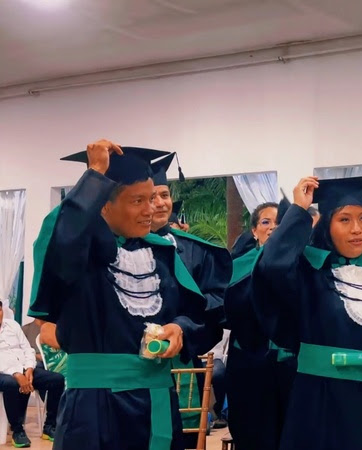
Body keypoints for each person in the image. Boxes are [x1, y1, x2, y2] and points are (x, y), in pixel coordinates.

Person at [29, 140, 212, 450]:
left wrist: (179, 327)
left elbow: (197, 312)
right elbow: (65, 239)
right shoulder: (81, 255)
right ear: (103, 205)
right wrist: (95, 174)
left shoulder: (162, 253)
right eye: (137, 200)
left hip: (156, 403)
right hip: (93, 407)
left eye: (152, 198)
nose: (150, 210)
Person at [252, 175, 362, 450]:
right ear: (327, 226)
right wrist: (299, 210)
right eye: (344, 220)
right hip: (321, 405)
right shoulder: (309, 273)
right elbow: (271, 266)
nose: (357, 229)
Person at [149, 152, 231, 447]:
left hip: (181, 359)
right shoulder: (112, 249)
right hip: (126, 362)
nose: (160, 203)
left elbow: (218, 302)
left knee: (176, 437)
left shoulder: (196, 250)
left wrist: (184, 322)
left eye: (164, 195)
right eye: (150, 197)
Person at [225, 201, 295, 450]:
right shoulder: (237, 267)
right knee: (253, 433)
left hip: (291, 364)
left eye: (280, 222)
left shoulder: (300, 264)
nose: (273, 227)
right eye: (266, 222)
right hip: (250, 363)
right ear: (254, 231)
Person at [0, 303, 65, 447]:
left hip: (24, 368)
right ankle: (17, 431)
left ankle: (49, 426)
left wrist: (29, 368)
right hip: (4, 372)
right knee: (12, 383)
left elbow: (27, 349)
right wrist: (16, 373)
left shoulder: (12, 326)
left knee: (57, 379)